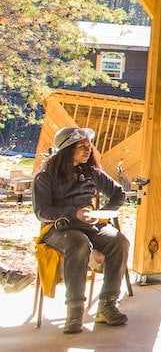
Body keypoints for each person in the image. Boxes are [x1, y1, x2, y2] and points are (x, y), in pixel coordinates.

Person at [32, 126, 129, 334]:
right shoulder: (45, 176)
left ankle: (107, 304)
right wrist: (72, 212)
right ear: (67, 150)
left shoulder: (91, 172)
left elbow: (118, 194)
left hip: (89, 225)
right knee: (78, 243)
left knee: (118, 241)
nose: (87, 150)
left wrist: (101, 214)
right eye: (81, 146)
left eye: (88, 146)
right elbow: (41, 211)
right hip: (58, 229)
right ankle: (75, 311)